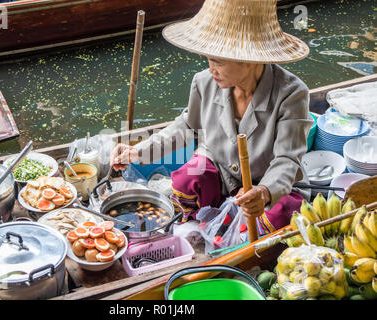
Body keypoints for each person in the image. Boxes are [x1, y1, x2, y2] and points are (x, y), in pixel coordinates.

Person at [110, 0, 314, 236]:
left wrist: (264, 191)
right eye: (208, 59)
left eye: (217, 61)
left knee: (276, 217)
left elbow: (287, 160)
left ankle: (233, 224)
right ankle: (210, 225)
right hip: (222, 171)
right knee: (186, 180)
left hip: (270, 184)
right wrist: (139, 151)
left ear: (248, 58)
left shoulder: (291, 93)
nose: (211, 69)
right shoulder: (204, 82)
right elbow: (186, 127)